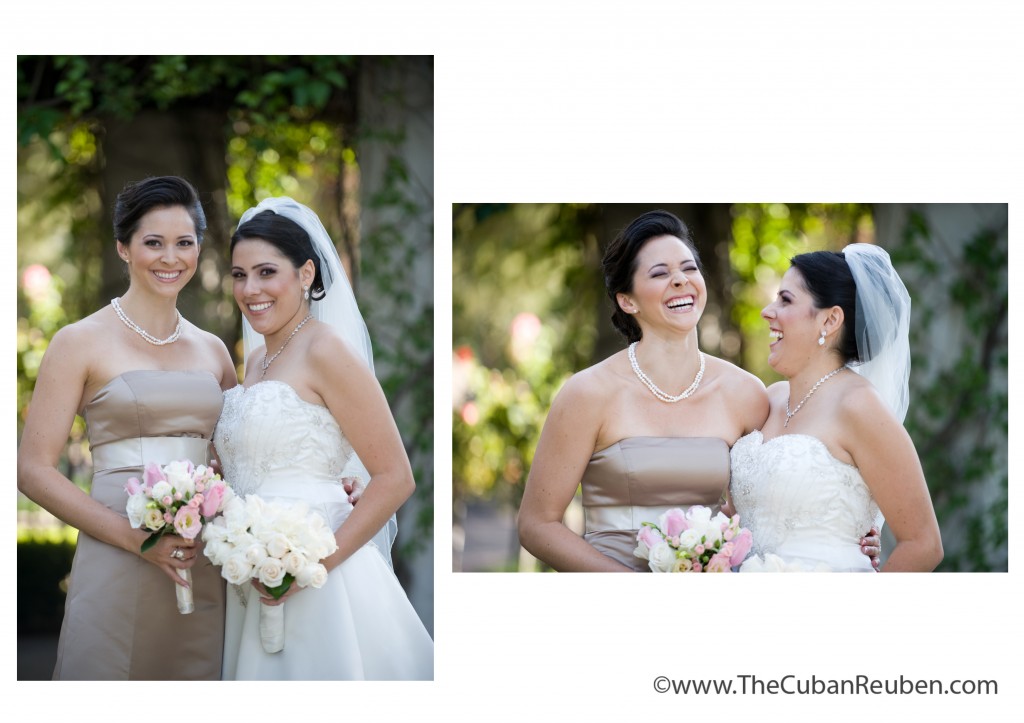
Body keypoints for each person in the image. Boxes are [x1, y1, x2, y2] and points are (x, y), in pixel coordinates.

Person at [17, 176, 236, 679]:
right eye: (153, 242)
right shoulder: (79, 342)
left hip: (199, 557)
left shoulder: (214, 351)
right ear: (123, 247)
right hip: (118, 552)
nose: (170, 257)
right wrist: (134, 539)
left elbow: (239, 457)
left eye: (185, 243)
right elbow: (32, 470)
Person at [215, 197, 433, 679]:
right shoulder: (254, 363)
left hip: (318, 577)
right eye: (239, 275)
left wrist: (311, 564)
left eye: (267, 272)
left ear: (307, 274)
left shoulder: (327, 351)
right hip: (247, 572)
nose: (251, 289)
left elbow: (395, 477)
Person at [517, 210, 772, 571]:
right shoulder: (588, 393)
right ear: (628, 301)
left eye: (689, 268)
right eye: (660, 273)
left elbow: (766, 504)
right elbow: (535, 524)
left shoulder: (745, 393)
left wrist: (847, 535)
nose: (681, 280)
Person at [730, 245, 943, 572]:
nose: (767, 311)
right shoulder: (770, 398)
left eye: (786, 300)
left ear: (830, 320)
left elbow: (924, 544)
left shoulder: (859, 406)